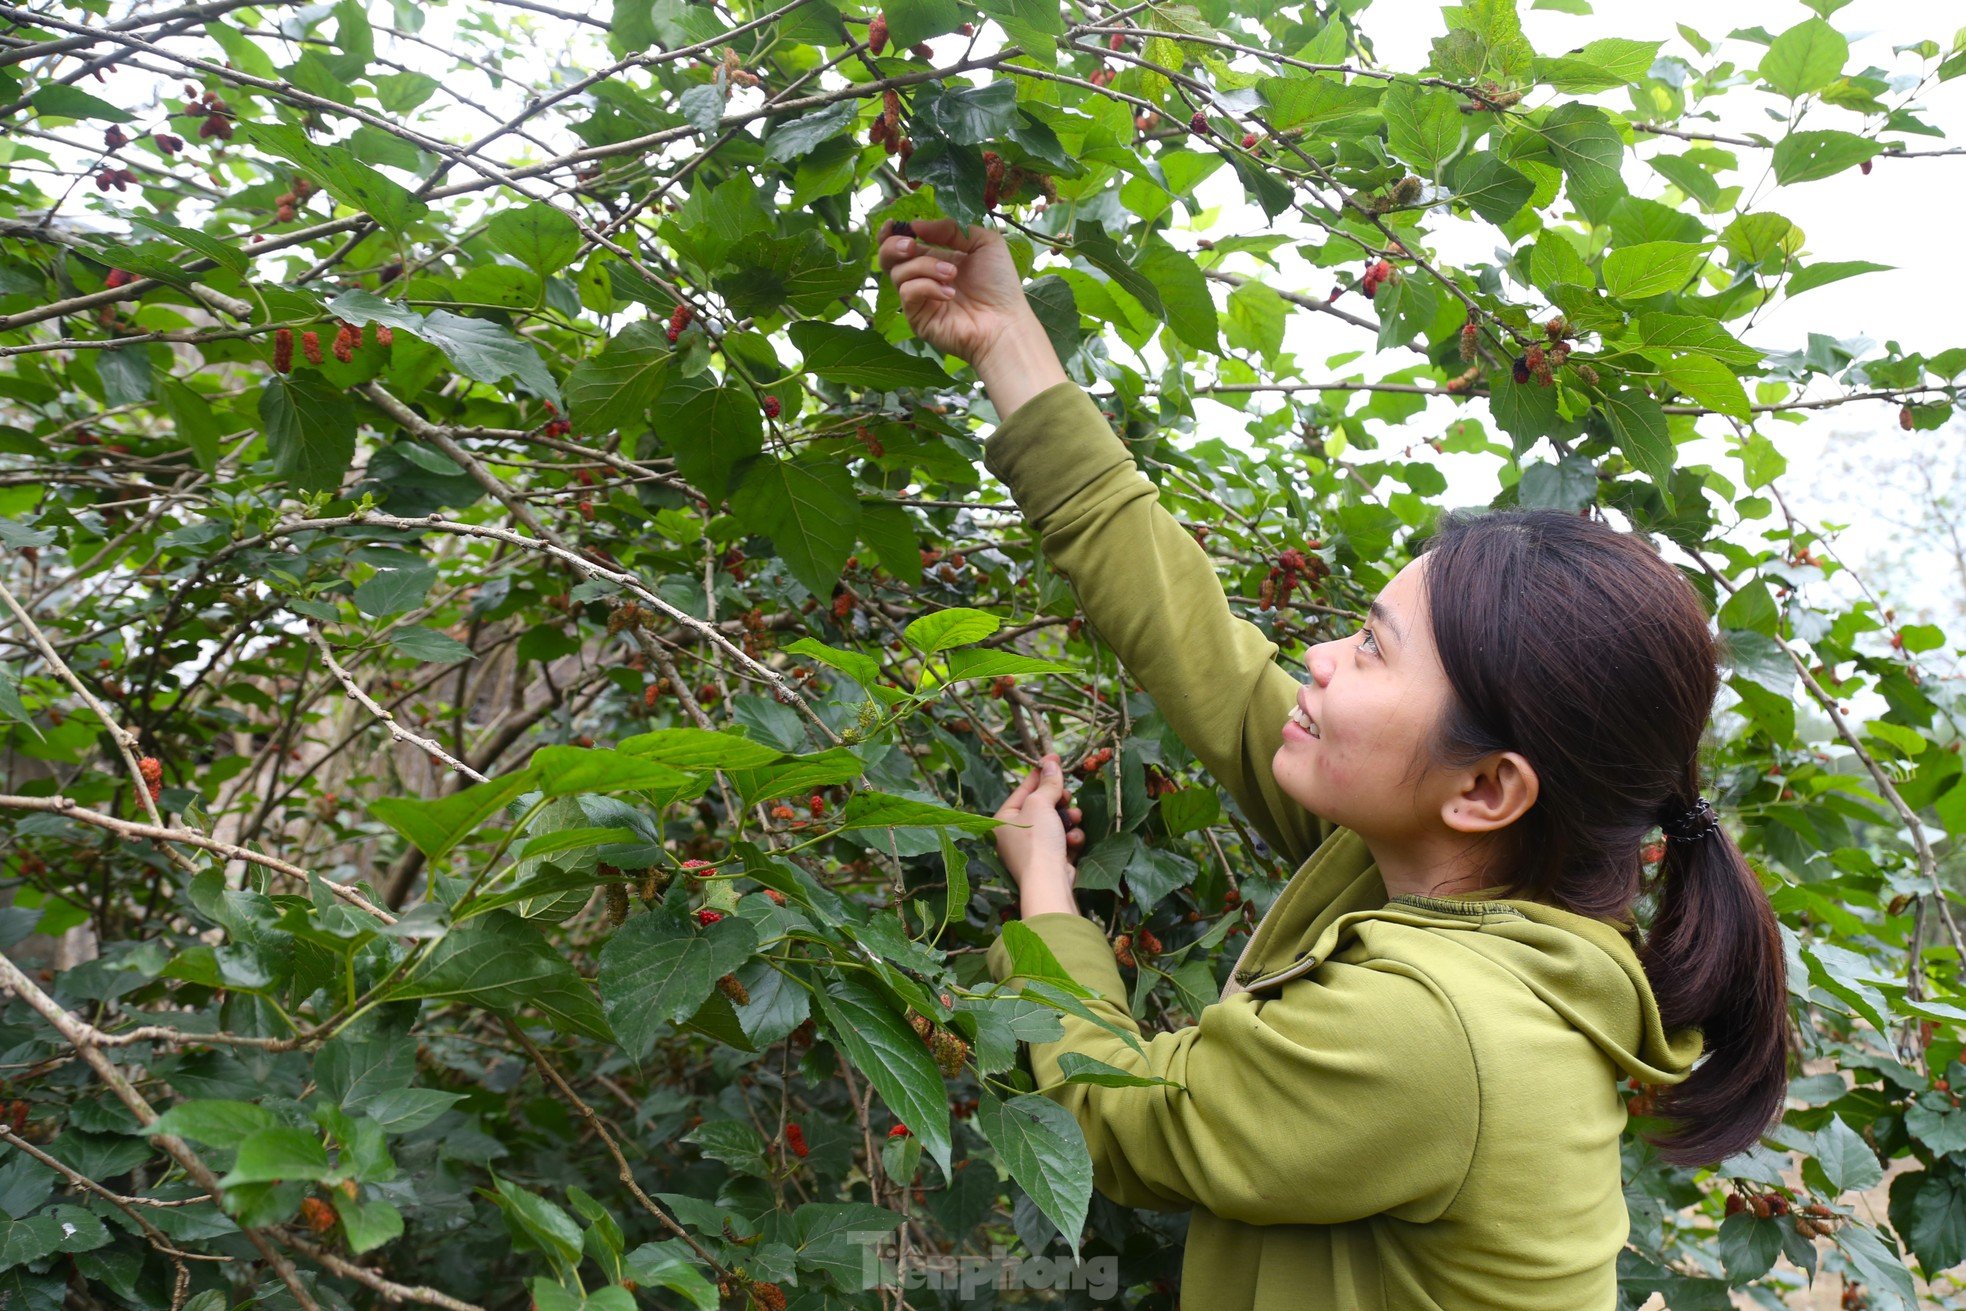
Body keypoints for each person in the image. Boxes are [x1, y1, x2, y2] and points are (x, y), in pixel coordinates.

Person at [875, 216, 1796, 1311]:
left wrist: (1044, 905)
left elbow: (1120, 1117)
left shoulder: (1433, 1026)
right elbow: (1195, 646)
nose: (1312, 659)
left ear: (1486, 789)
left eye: (1369, 650)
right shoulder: (1441, 876)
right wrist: (1005, 339)